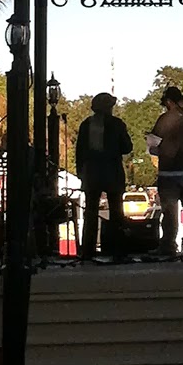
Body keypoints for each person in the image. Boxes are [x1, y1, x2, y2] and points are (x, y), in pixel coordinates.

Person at [147, 85, 183, 259]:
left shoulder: (164, 119)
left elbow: (152, 145)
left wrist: (159, 150)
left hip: (168, 172)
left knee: (169, 213)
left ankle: (168, 246)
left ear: (169, 102)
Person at [75, 92, 132, 261]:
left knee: (91, 212)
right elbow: (127, 147)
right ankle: (116, 250)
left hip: (92, 172)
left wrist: (81, 173)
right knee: (116, 212)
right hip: (112, 171)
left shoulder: (86, 125)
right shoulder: (117, 124)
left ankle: (88, 250)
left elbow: (80, 151)